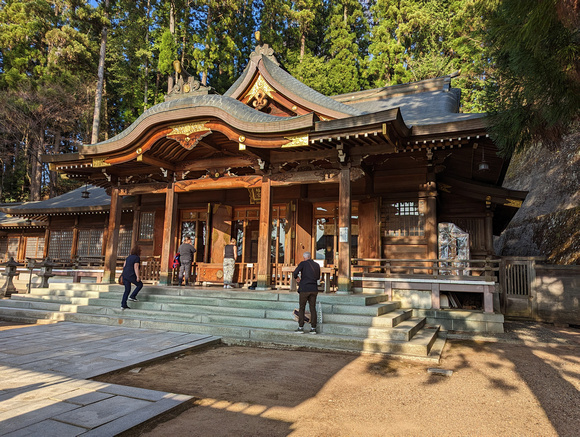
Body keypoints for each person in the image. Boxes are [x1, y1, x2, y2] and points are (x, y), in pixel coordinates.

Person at [293, 251, 321, 334]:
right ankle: (313, 328)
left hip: (304, 288)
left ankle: (301, 327)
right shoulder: (316, 265)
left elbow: (295, 272)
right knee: (312, 308)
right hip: (314, 289)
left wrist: (297, 278)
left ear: (305, 257)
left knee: (302, 308)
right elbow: (318, 277)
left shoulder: (303, 263)